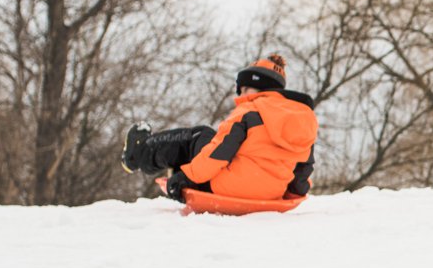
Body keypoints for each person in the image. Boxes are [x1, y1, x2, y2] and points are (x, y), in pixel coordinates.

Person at [120, 53, 318, 202]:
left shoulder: (250, 110)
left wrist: (185, 178)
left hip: (228, 189)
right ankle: (175, 165)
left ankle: (138, 153)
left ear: (256, 88)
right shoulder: (303, 119)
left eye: (243, 90)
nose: (240, 96)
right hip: (270, 194)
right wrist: (291, 193)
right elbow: (304, 168)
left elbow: (219, 152)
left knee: (201, 135)